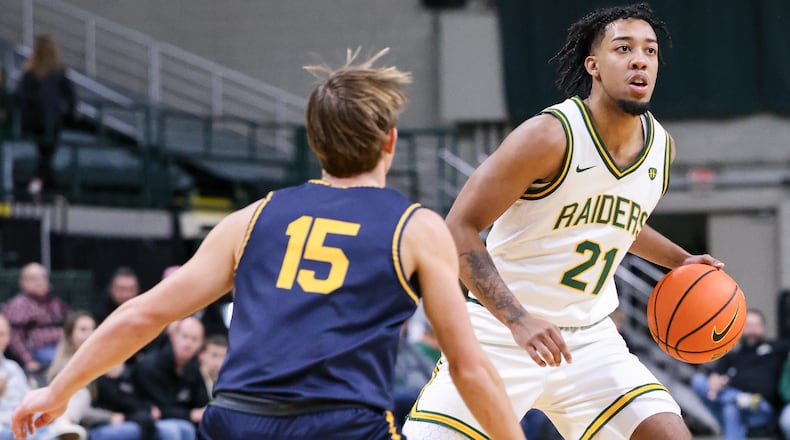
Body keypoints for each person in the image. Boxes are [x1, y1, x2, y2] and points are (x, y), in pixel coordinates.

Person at [11, 48, 525, 440]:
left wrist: (58, 389)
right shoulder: (416, 226)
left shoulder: (251, 219)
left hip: (237, 419)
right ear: (390, 140)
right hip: (338, 423)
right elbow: (468, 367)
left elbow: (144, 313)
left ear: (314, 143)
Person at [403, 4, 723, 439]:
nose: (639, 60)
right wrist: (518, 320)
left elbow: (615, 222)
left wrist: (680, 260)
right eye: (623, 48)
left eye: (649, 51)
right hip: (501, 335)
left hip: (590, 342)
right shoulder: (548, 136)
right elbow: (457, 228)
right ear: (593, 65)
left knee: (669, 434)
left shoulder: (660, 149)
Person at [691, 309, 788, 440]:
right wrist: (715, 378)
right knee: (698, 380)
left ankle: (736, 399)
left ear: (763, 327)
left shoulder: (777, 349)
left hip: (761, 407)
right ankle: (736, 398)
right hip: (732, 402)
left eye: (756, 325)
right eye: (748, 325)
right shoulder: (732, 354)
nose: (752, 330)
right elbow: (715, 374)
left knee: (731, 409)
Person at [14, 34, 76, 196]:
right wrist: (69, 113)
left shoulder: (30, 71)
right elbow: (70, 95)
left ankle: (47, 189)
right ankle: (42, 186)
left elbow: (20, 95)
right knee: (47, 156)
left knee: (45, 155)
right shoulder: (58, 71)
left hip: (34, 121)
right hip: (51, 121)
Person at [133, 317, 208, 440]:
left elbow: (202, 404)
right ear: (173, 336)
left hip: (178, 420)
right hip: (145, 420)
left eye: (194, 339)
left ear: (201, 344)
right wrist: (190, 414)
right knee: (178, 430)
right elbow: (160, 409)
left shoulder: (193, 369)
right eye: (185, 336)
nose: (188, 344)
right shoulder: (150, 365)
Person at [2, 263, 69, 374]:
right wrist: (28, 360)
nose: (40, 282)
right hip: (39, 351)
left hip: (64, 345)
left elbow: (72, 322)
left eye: (43, 277)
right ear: (23, 282)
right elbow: (15, 338)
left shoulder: (55, 302)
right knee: (65, 362)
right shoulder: (19, 304)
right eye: (33, 279)